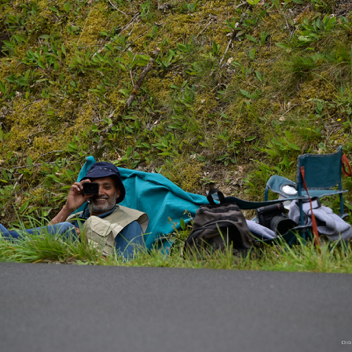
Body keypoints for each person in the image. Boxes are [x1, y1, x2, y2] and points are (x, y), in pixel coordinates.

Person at [0, 162, 149, 258]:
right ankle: (7, 241)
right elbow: (42, 240)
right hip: (54, 268)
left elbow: (130, 267)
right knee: (65, 228)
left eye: (107, 187)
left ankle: (6, 240)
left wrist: (83, 245)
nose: (100, 192)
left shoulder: (129, 223)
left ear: (117, 193)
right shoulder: (75, 218)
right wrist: (68, 208)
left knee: (66, 229)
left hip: (88, 275)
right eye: (94, 187)